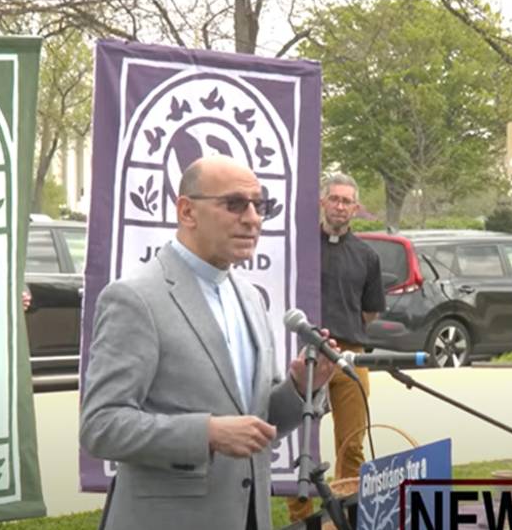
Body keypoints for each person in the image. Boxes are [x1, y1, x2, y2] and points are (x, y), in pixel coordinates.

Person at [80, 155, 336, 530]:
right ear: (187, 211)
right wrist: (207, 433)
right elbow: (100, 426)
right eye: (234, 204)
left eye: (259, 204)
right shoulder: (135, 298)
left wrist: (299, 388)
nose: (253, 218)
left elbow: (255, 420)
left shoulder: (249, 297)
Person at [286, 173, 385, 521]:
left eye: (347, 201)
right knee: (301, 443)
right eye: (335, 199)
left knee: (353, 441)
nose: (340, 206)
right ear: (322, 202)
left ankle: (344, 516)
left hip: (349, 355)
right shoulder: (300, 246)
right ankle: (301, 517)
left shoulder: (367, 255)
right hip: (305, 355)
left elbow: (370, 311)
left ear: (355, 208)